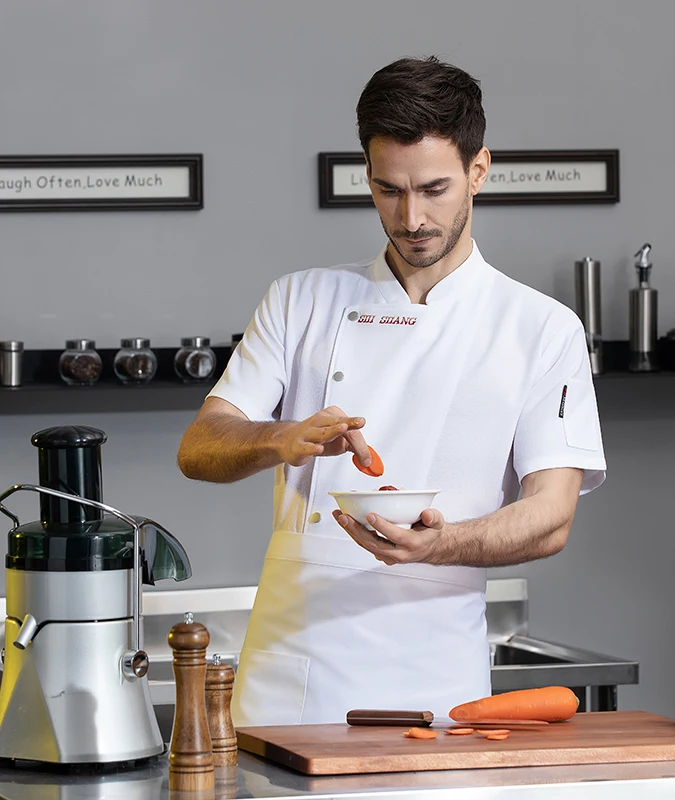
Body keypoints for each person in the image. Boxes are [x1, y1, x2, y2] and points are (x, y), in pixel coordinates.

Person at [177, 55, 606, 726]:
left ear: (478, 171)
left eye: (434, 189)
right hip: (291, 677)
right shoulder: (301, 300)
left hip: (436, 675)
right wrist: (280, 438)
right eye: (388, 191)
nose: (411, 218)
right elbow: (200, 448)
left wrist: (441, 544)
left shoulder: (541, 328)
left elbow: (551, 516)